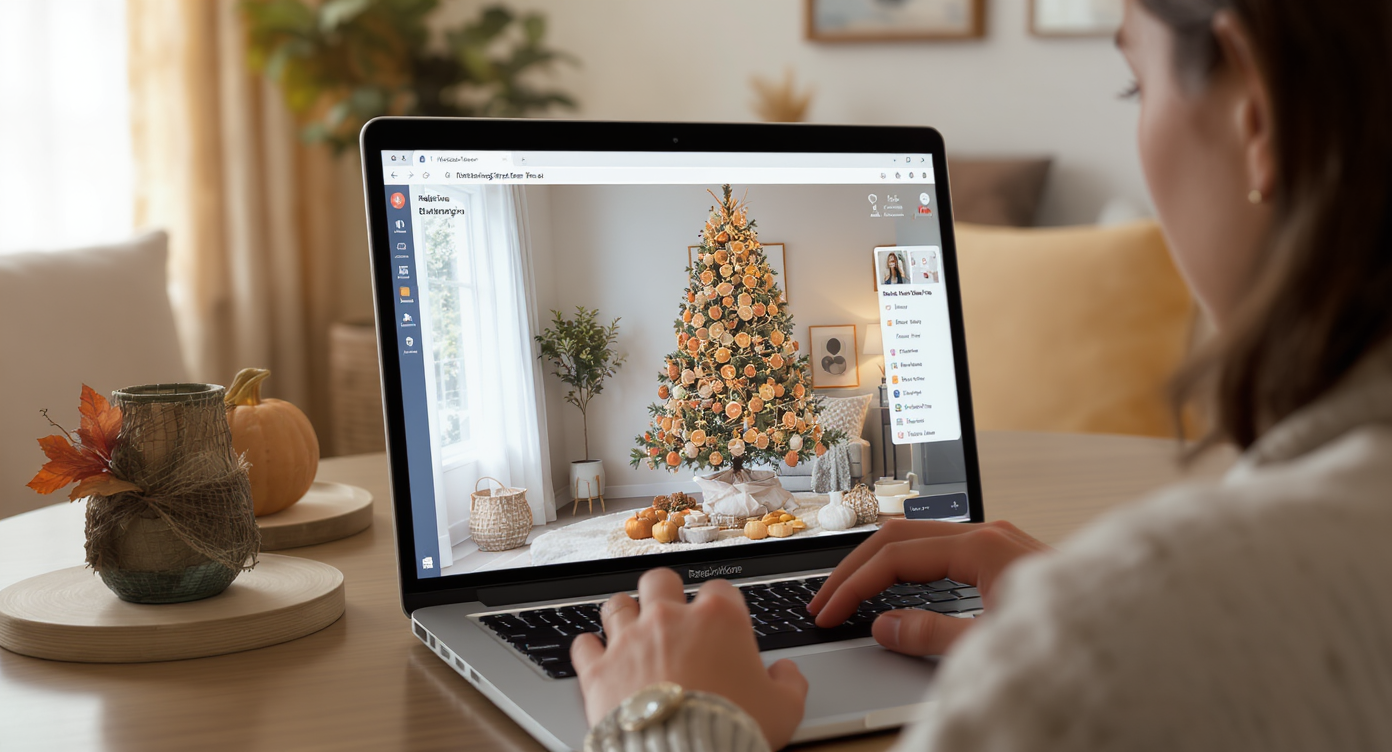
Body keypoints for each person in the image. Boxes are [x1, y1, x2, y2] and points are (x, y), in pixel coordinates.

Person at [573, 0, 1392, 749]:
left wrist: (668, 719)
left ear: (1255, 115)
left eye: (1133, 84)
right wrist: (1088, 609)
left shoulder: (1123, 643)